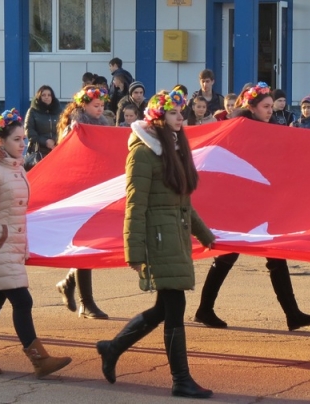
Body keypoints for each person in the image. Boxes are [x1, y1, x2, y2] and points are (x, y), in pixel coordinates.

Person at [96, 89, 215, 398]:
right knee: (174, 305)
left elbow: (183, 201)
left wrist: (205, 234)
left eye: (182, 113)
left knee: (165, 306)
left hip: (175, 233)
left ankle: (113, 347)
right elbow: (135, 204)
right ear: (160, 117)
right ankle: (181, 379)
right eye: (175, 113)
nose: (182, 118)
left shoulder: (173, 146)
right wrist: (133, 251)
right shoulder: (142, 152)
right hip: (159, 238)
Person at [194, 82, 310, 331]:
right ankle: (205, 308)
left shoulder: (268, 129)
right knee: (228, 256)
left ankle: (292, 313)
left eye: (270, 107)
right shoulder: (239, 130)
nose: (270, 111)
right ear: (251, 107)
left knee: (271, 256)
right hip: (240, 205)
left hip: (260, 204)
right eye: (265, 107)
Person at [0, 109, 72, 379]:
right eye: (17, 139)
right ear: (0, 141)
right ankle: (39, 360)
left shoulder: (16, 169)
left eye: (24, 138)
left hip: (11, 247)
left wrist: (23, 245)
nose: (23, 143)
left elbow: (17, 214)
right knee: (22, 300)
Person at [54, 85, 111, 319]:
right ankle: (85, 302)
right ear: (83, 105)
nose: (100, 109)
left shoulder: (104, 125)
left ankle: (68, 282)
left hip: (98, 190)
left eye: (102, 106)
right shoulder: (74, 127)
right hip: (78, 192)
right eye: (96, 106)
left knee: (95, 242)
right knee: (84, 244)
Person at [24, 85, 60, 161]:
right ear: (39, 97)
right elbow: (28, 130)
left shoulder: (59, 111)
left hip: (56, 149)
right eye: (43, 95)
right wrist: (45, 141)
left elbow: (63, 127)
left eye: (49, 95)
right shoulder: (33, 111)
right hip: (38, 150)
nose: (46, 97)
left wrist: (55, 140)